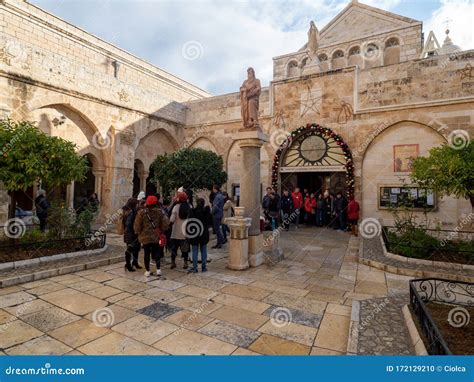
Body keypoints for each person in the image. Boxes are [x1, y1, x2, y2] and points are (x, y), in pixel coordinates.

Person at [134, 195, 169, 277]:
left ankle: (147, 271)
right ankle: (158, 269)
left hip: (145, 236)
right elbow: (166, 223)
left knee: (146, 253)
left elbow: (137, 225)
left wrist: (138, 232)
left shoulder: (142, 212)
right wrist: (162, 230)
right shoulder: (160, 212)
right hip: (156, 236)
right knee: (157, 252)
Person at [187, 198, 212, 273]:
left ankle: (195, 268)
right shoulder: (207, 212)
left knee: (195, 251)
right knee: (204, 250)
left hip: (195, 233)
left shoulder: (192, 212)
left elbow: (189, 223)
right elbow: (210, 223)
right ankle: (204, 268)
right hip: (203, 233)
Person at [170, 191, 191, 269]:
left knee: (174, 249)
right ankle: (185, 263)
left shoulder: (175, 207)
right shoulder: (189, 207)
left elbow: (172, 219)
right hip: (185, 232)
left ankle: (173, 262)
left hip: (175, 232)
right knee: (185, 249)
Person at [121, 198, 141, 272]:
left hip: (130, 233)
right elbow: (128, 223)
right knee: (130, 249)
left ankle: (134, 263)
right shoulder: (131, 212)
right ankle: (128, 265)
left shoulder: (126, 210)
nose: (137, 204)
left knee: (136, 248)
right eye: (136, 203)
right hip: (131, 234)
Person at [211, 184, 225, 249]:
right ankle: (221, 240)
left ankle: (219, 243)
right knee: (218, 229)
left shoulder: (217, 197)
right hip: (220, 214)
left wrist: (211, 212)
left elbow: (215, 207)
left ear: (215, 189)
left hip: (216, 215)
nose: (212, 190)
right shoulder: (221, 195)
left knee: (217, 230)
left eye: (213, 188)